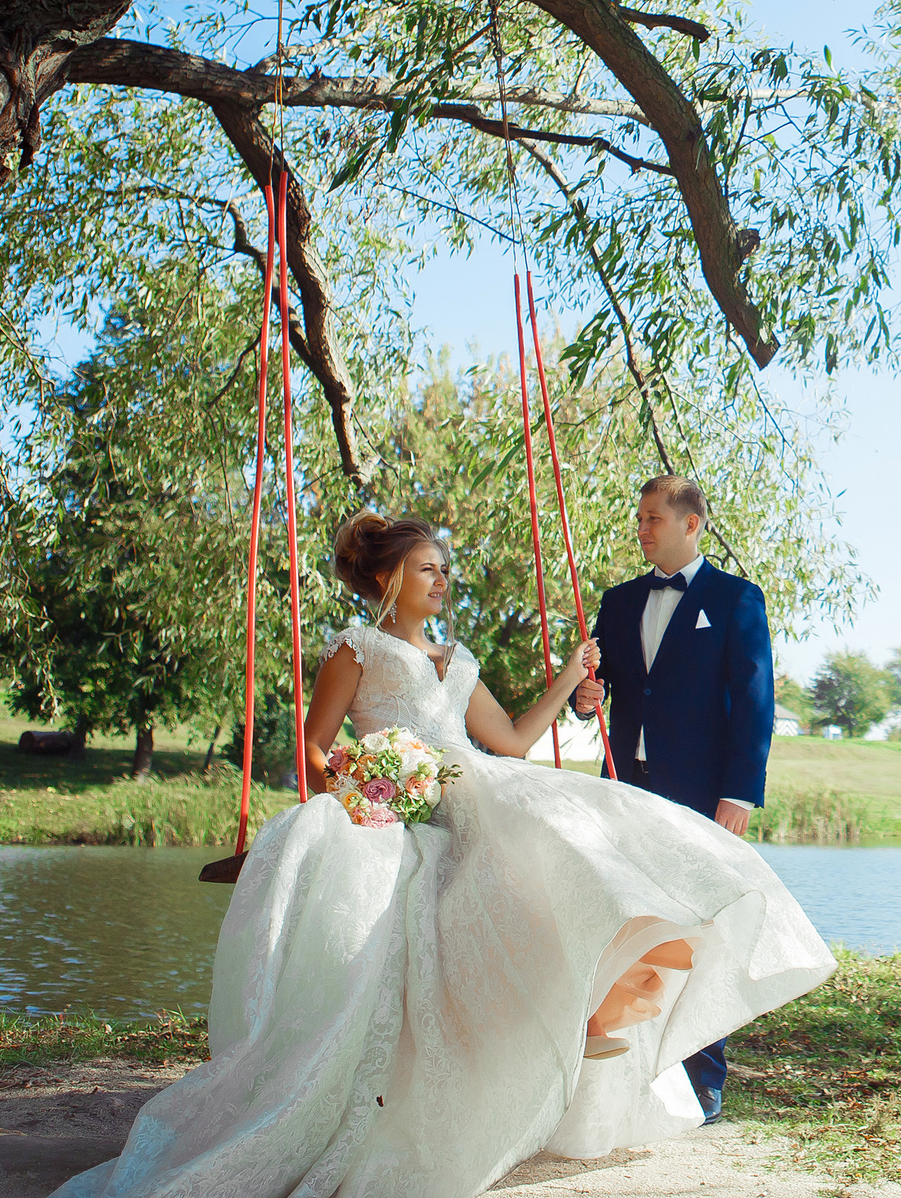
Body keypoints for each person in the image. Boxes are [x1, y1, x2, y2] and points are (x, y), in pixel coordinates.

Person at [52, 512, 832, 1198]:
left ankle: (595, 996)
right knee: (532, 852)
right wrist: (362, 795)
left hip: (480, 783)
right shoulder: (358, 649)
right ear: (390, 576)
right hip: (409, 804)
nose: (442, 580)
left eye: (443, 569)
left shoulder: (458, 661)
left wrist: (566, 679)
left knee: (588, 835)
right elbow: (317, 749)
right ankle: (575, 1003)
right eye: (429, 568)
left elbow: (515, 741)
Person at [571, 473, 773, 1125]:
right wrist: (584, 698)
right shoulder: (618, 601)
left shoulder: (737, 599)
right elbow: (605, 693)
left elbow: (754, 703)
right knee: (625, 928)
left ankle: (702, 1080)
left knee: (695, 932)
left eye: (653, 516)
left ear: (692, 523)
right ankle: (627, 1076)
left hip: (700, 797)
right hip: (624, 793)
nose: (642, 526)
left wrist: (738, 791)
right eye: (640, 516)